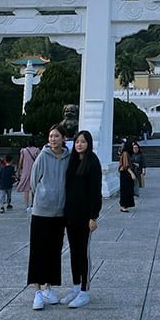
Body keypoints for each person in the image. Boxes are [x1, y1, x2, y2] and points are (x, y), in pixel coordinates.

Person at [28, 124, 71, 310]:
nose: (52, 139)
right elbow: (33, 182)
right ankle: (37, 292)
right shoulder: (42, 157)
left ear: (63, 138)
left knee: (54, 251)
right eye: (50, 136)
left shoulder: (69, 158)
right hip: (42, 212)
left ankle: (48, 288)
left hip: (59, 212)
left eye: (56, 136)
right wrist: (44, 197)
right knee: (38, 251)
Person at [61, 129, 102, 309]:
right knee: (74, 252)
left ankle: (85, 290)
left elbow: (96, 192)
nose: (80, 145)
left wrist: (93, 216)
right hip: (70, 214)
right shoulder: (71, 161)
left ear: (89, 143)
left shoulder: (93, 162)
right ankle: (76, 286)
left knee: (83, 253)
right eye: (77, 141)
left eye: (83, 142)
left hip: (85, 216)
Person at [17, 137, 40, 214]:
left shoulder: (24, 150)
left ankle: (27, 206)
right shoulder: (37, 150)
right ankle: (33, 205)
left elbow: (20, 162)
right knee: (33, 189)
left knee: (26, 190)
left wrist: (18, 171)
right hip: (34, 171)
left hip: (25, 171)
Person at [118, 141, 136, 212]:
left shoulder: (126, 153)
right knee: (126, 190)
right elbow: (126, 165)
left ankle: (124, 205)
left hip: (125, 173)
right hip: (126, 173)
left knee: (126, 189)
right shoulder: (125, 153)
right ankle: (123, 205)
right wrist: (132, 173)